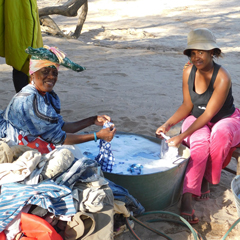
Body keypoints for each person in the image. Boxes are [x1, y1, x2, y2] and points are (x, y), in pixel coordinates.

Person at [156, 28, 240, 224]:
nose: (196, 57)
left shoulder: (222, 77)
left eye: (201, 52)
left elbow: (210, 113)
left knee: (219, 135)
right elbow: (187, 105)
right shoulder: (188, 72)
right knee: (199, 143)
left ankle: (206, 178)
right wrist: (168, 124)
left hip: (225, 119)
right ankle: (187, 197)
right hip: (197, 116)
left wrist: (181, 135)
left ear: (213, 52)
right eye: (192, 53)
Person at [0, 45, 116, 150]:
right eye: (45, 72)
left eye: (54, 73)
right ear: (32, 74)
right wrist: (97, 136)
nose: (51, 77)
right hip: (12, 144)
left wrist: (92, 120)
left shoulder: (46, 95)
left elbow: (60, 127)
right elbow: (58, 138)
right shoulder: (29, 99)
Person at [0, 0, 43, 92]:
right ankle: (25, 100)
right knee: (23, 59)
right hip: (21, 16)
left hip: (20, 15)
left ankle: (25, 99)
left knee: (22, 59)